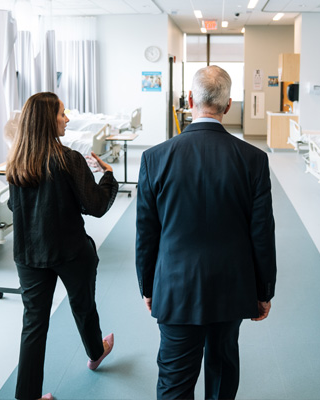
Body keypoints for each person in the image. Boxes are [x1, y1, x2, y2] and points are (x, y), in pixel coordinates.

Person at [135, 65, 277, 399]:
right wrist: (264, 290)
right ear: (228, 106)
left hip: (175, 286)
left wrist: (148, 285)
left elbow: (147, 233)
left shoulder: (155, 158)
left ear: (189, 99)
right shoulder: (253, 159)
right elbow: (262, 233)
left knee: (175, 380)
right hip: (231, 286)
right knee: (223, 366)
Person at [6, 92, 118, 400]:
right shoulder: (69, 159)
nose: (67, 119)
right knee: (83, 306)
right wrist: (108, 178)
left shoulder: (16, 162)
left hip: (29, 256)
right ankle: (96, 353)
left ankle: (26, 397)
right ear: (47, 120)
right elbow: (94, 206)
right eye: (62, 114)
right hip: (71, 252)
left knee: (33, 325)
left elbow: (14, 206)